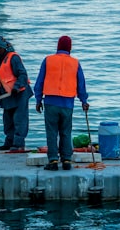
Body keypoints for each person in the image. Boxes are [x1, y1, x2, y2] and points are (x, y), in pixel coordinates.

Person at [33, 36, 89, 171]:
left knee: (52, 132)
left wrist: (38, 100)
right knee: (66, 131)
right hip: (67, 103)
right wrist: (84, 101)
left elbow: (39, 82)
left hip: (51, 102)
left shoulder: (48, 60)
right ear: (70, 47)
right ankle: (66, 160)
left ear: (58, 46)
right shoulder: (75, 63)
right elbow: (81, 84)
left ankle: (53, 160)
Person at [0, 35, 33, 152]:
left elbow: (22, 75)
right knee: (8, 120)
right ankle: (9, 142)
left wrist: (17, 87)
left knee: (19, 119)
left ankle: (18, 144)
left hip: (19, 93)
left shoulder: (13, 58)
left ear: (4, 48)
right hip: (6, 95)